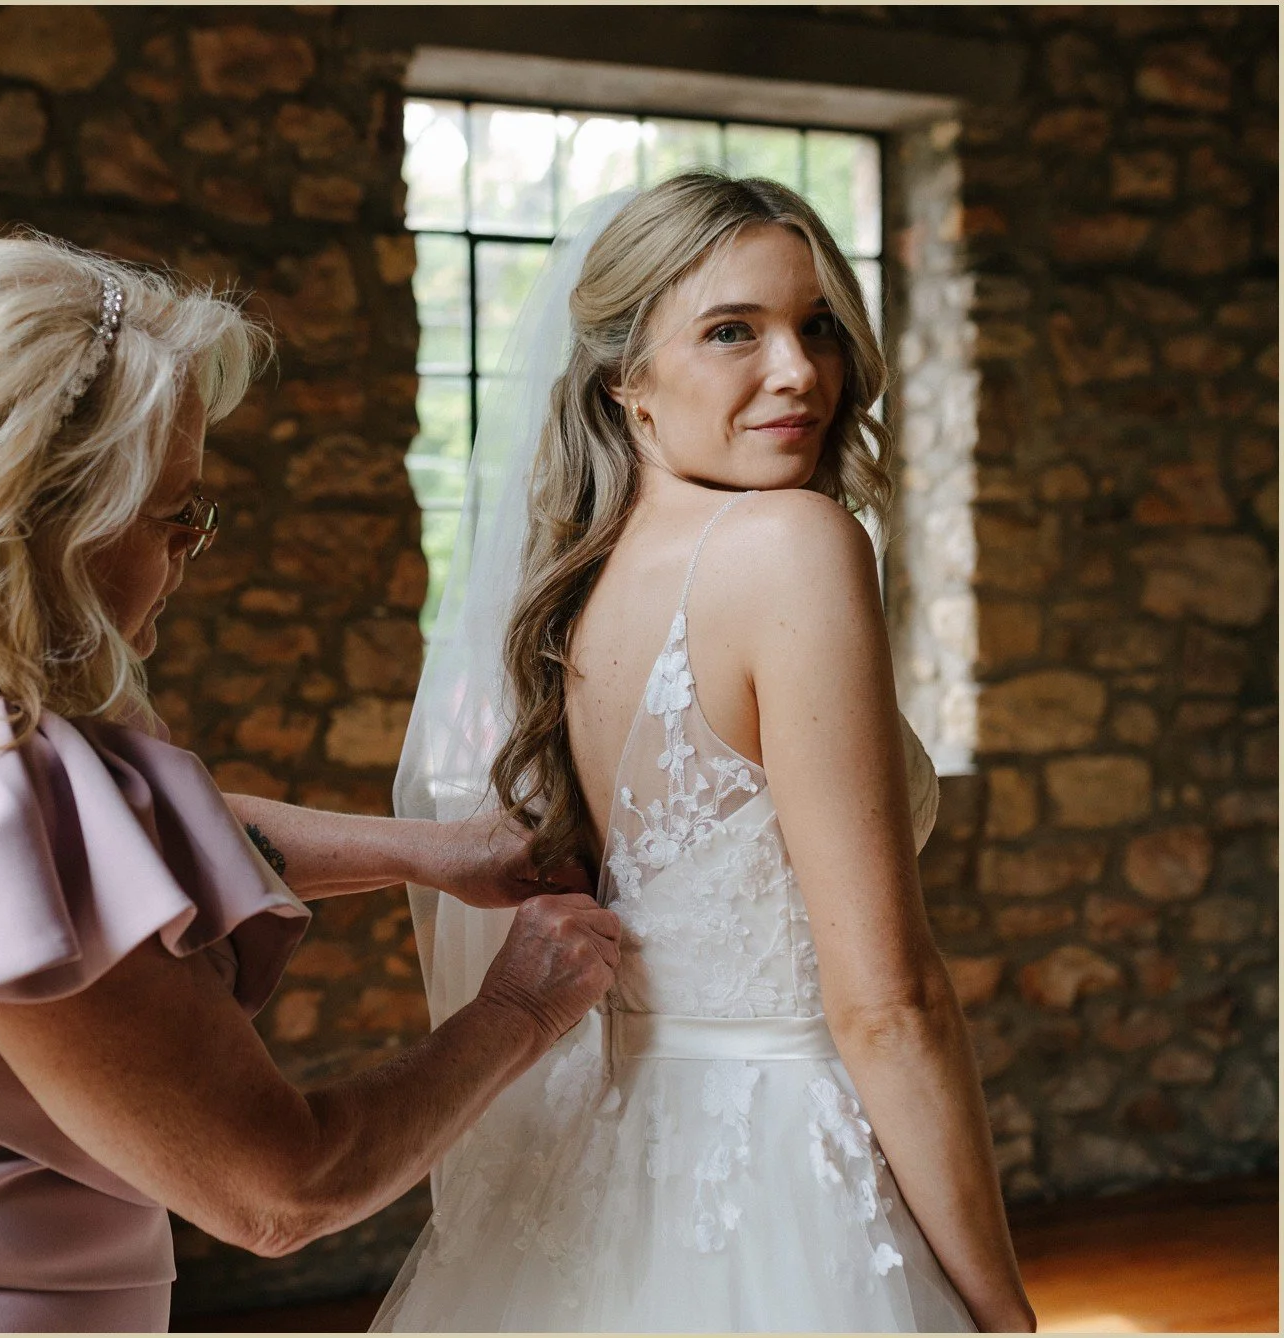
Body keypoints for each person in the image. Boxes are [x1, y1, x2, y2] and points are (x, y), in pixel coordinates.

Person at [0, 235, 621, 1333]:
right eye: (172, 513)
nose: (189, 552)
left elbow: (94, 869)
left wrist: (425, 852)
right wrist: (517, 1011)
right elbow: (277, 1189)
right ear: (40, 520)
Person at [374, 174, 1035, 1332]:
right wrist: (1001, 1310)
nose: (798, 372)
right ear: (624, 381)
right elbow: (885, 1006)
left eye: (817, 326)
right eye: (733, 330)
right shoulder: (790, 544)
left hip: (598, 1157)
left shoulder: (584, 577)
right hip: (777, 1177)